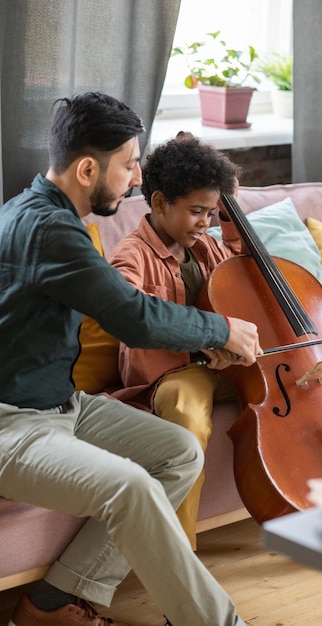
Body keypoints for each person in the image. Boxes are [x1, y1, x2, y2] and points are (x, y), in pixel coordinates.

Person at [0, 92, 262, 626]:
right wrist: (222, 328)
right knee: (132, 486)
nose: (138, 178)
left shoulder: (43, 212)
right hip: (13, 423)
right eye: (129, 164)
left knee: (178, 453)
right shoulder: (49, 231)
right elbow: (132, 315)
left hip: (59, 405)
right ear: (88, 167)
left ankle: (49, 604)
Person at [110, 136, 244, 549]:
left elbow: (248, 272)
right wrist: (208, 338)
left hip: (223, 366)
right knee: (187, 417)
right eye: (196, 211)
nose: (204, 222)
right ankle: (180, 556)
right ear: (161, 201)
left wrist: (230, 212)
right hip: (176, 372)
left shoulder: (207, 248)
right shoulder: (129, 256)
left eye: (211, 211)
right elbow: (134, 319)